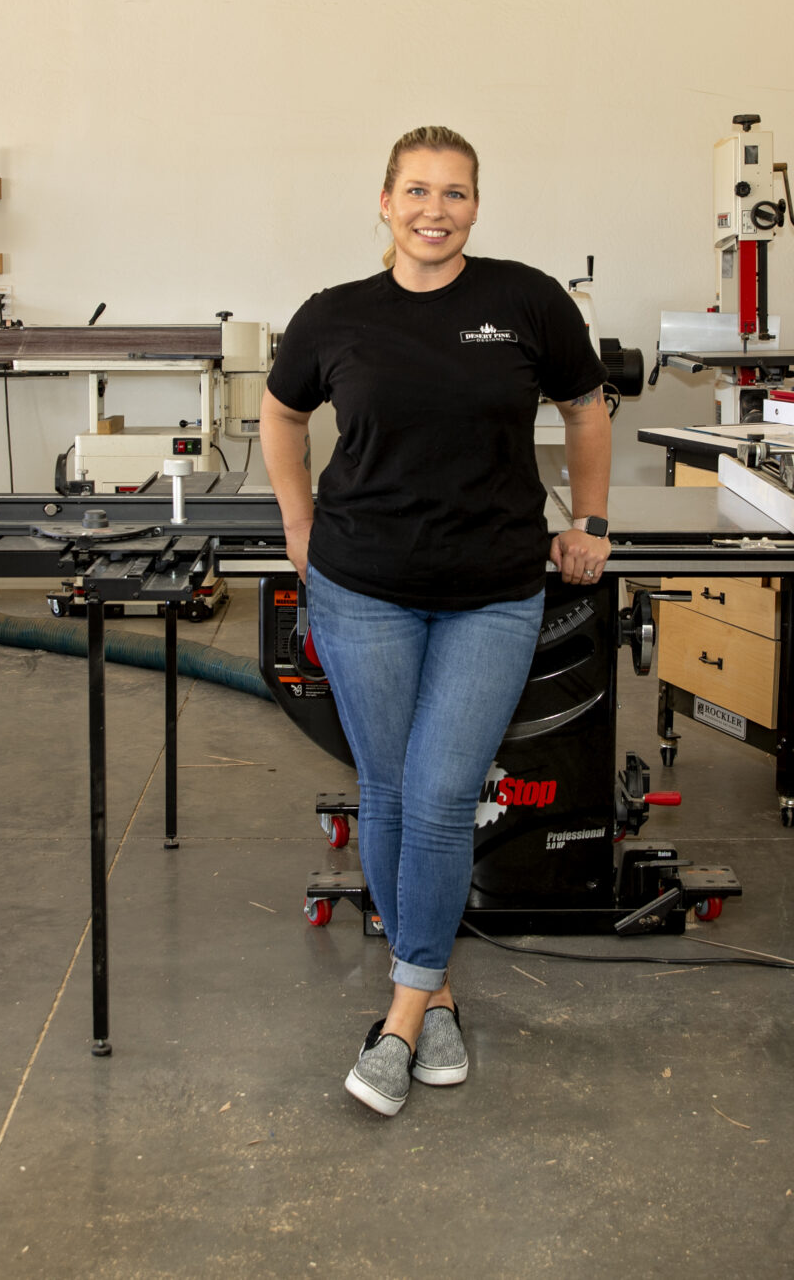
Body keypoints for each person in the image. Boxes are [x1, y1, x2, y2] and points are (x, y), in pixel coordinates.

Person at [261, 125, 613, 1118]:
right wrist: (296, 520)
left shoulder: (526, 301)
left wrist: (590, 521)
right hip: (361, 586)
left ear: (475, 207)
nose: (435, 210)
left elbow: (587, 408)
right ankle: (435, 991)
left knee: (444, 792)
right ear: (384, 202)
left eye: (455, 193)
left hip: (493, 589)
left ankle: (402, 1016)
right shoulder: (335, 315)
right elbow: (281, 415)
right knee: (388, 791)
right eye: (416, 190)